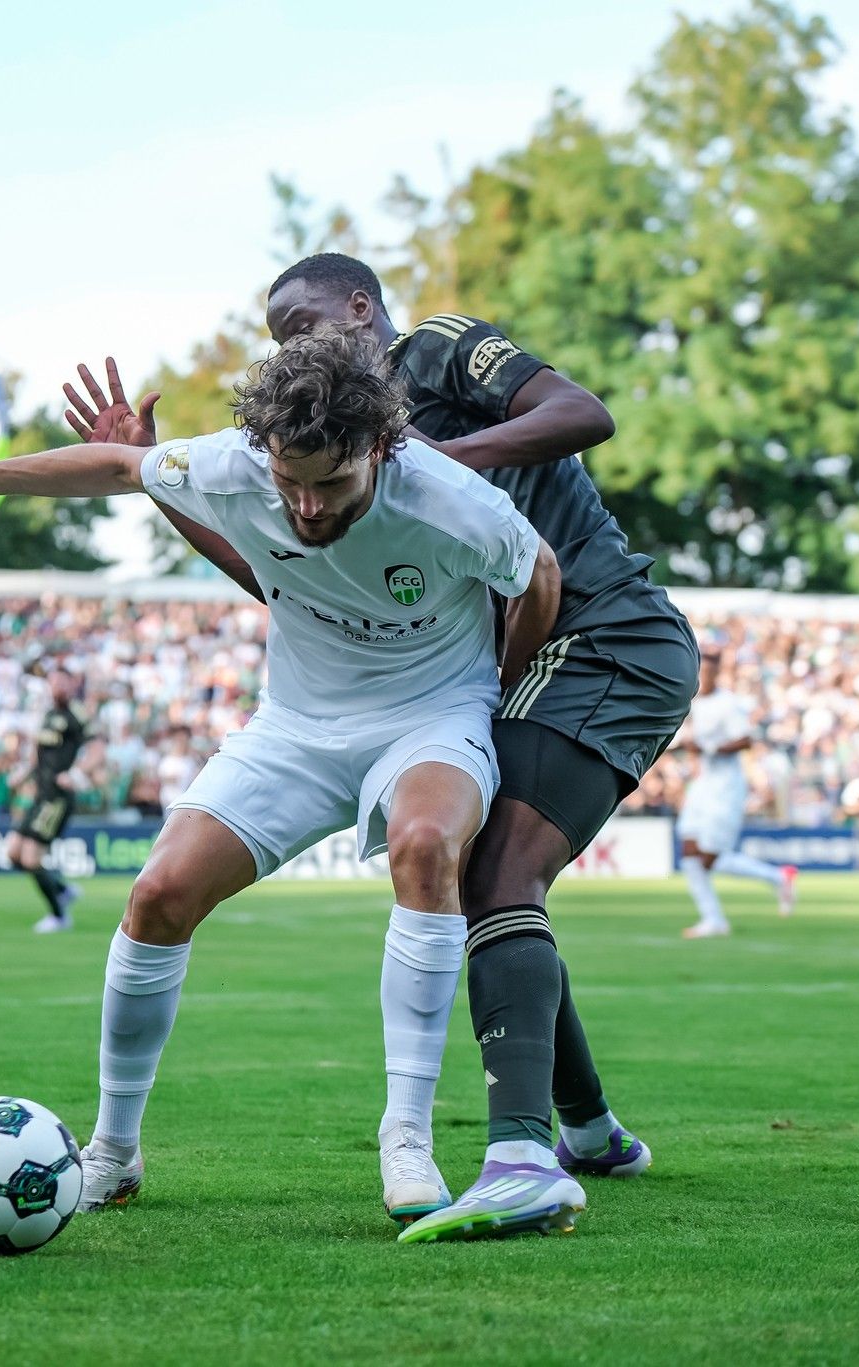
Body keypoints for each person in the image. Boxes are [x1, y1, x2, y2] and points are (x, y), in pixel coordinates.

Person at [0, 325, 562, 1230]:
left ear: (382, 448)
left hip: (431, 716)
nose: (306, 506)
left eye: (332, 483)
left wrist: (496, 690)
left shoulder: (450, 500)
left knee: (426, 847)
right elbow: (116, 467)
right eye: (289, 481)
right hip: (296, 727)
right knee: (157, 893)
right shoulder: (230, 463)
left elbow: (537, 571)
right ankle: (112, 1150)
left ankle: (407, 1139)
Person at [63, 253, 698, 1243]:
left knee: (494, 877)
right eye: (278, 336)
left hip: (603, 632)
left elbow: (582, 411)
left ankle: (523, 1156)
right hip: (523, 642)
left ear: (362, 307)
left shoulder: (437, 354)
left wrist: (427, 462)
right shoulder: (328, 449)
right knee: (489, 874)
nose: (295, 342)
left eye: (306, 319)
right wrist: (171, 491)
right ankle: (589, 1130)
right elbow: (297, 584)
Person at [676, 653, 795, 938]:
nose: (705, 677)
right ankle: (713, 919)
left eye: (711, 672)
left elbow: (746, 740)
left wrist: (710, 749)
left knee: (710, 858)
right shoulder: (695, 703)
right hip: (704, 784)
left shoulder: (727, 704)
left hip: (726, 787)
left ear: (718, 674)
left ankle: (779, 877)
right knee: (689, 852)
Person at [8, 670, 87, 934]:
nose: (56, 687)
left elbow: (98, 747)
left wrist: (77, 773)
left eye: (61, 682)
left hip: (57, 798)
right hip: (40, 795)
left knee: (31, 859)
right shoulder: (48, 715)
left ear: (71, 684)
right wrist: (23, 773)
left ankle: (59, 916)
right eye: (52, 682)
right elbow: (37, 753)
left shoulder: (77, 715)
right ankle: (62, 888)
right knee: (13, 853)